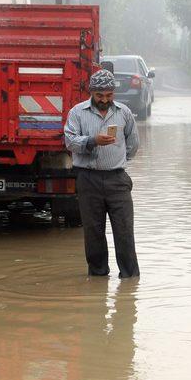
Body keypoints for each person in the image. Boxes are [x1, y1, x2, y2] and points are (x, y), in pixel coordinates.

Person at [64, 69, 140, 278]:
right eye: (100, 96)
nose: (104, 100)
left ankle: (130, 280)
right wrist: (92, 141)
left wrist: (118, 161)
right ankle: (98, 278)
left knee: (125, 232)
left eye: (108, 95)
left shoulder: (124, 112)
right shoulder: (77, 113)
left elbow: (133, 145)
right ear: (92, 92)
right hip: (88, 180)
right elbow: (69, 141)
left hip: (118, 180)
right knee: (93, 232)